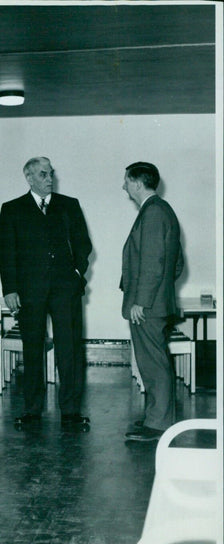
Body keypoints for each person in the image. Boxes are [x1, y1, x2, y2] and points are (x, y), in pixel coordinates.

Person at [0, 157, 93, 430]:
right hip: (29, 293)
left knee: (70, 349)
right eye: (42, 174)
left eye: (50, 173)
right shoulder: (12, 209)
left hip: (66, 291)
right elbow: (6, 252)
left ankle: (71, 412)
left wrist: (76, 274)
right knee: (32, 349)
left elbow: (83, 245)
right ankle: (32, 411)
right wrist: (10, 289)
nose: (49, 178)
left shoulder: (69, 205)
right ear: (29, 178)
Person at [120, 161, 184, 442]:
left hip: (147, 306)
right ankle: (156, 416)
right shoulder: (161, 210)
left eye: (126, 181)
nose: (124, 186)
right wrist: (162, 292)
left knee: (153, 364)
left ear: (136, 182)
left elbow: (153, 262)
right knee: (153, 362)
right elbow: (176, 264)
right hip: (156, 302)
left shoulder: (154, 212)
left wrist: (142, 301)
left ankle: (158, 425)